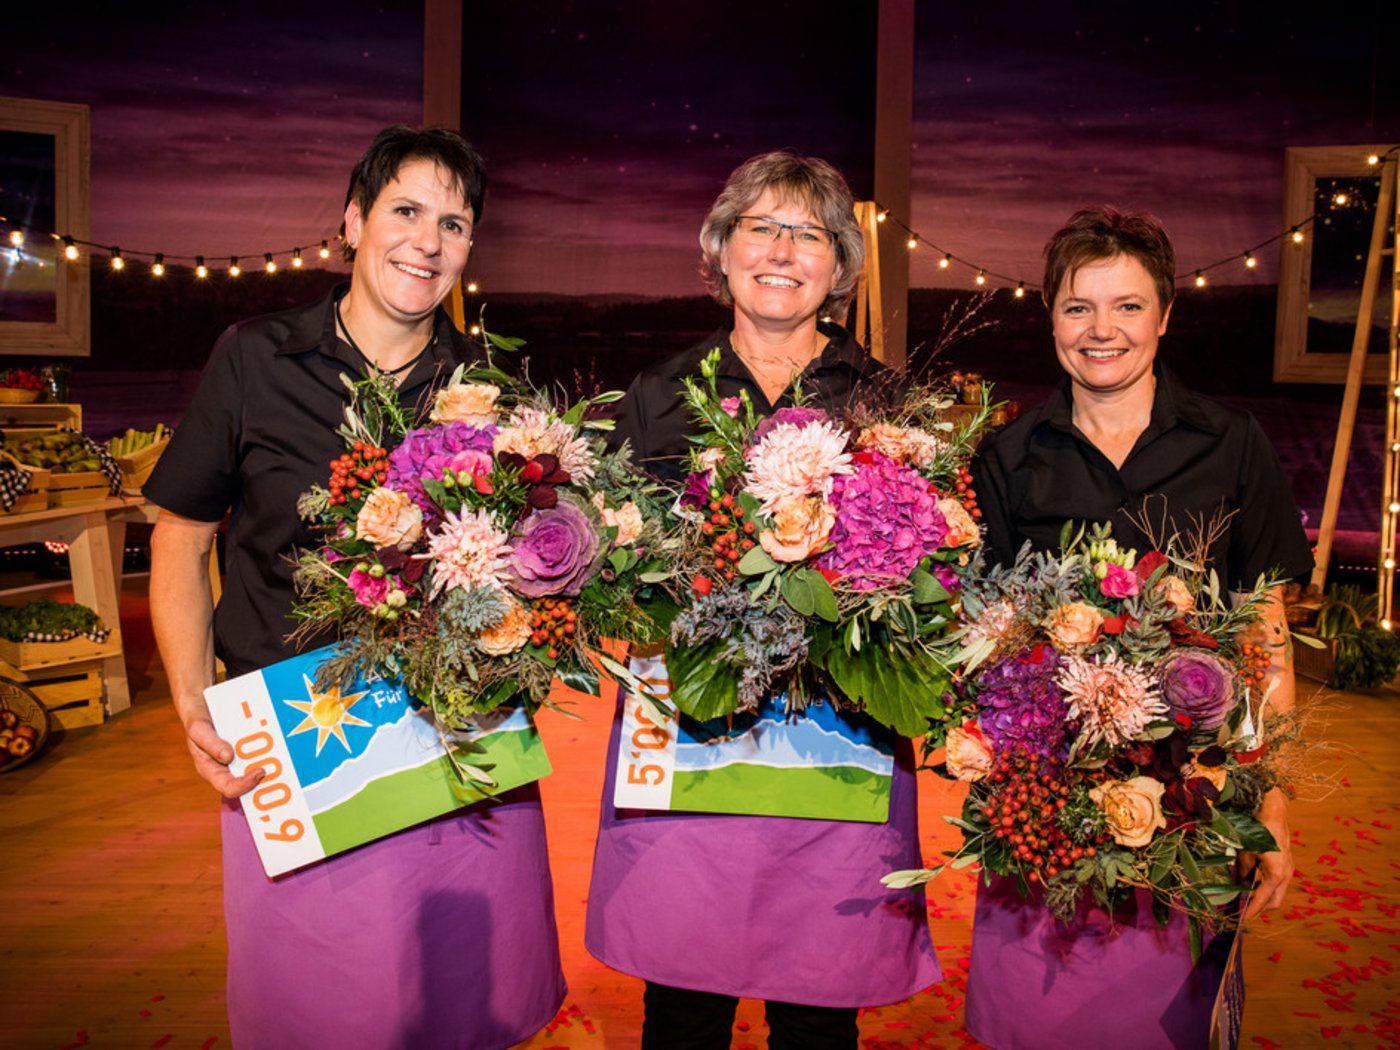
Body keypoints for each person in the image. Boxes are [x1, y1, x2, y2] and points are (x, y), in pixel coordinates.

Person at [145, 125, 565, 1050]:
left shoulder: (492, 391)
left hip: (460, 743)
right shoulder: (255, 357)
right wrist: (190, 701)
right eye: (405, 210)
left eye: (454, 224)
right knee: (315, 1010)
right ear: (352, 221)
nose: (428, 241)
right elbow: (181, 535)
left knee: (469, 1006)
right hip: (301, 743)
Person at [585, 151, 940, 1049]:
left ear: (840, 265)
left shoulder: (885, 403)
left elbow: (932, 574)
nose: (782, 252)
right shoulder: (659, 397)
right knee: (684, 1010)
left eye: (809, 235)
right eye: (761, 228)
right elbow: (613, 573)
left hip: (841, 735)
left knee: (819, 1008)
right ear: (721, 249)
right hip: (691, 730)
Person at [966, 206, 1312, 1049]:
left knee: (1167, 1025)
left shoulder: (1230, 445)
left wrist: (1271, 801)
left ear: (1165, 315)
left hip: (1195, 799)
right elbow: (986, 645)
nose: (1102, 330)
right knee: (1037, 1019)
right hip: (1045, 805)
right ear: (1051, 317)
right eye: (1078, 307)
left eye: (1127, 306)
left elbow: (1264, 635)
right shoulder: (1008, 458)